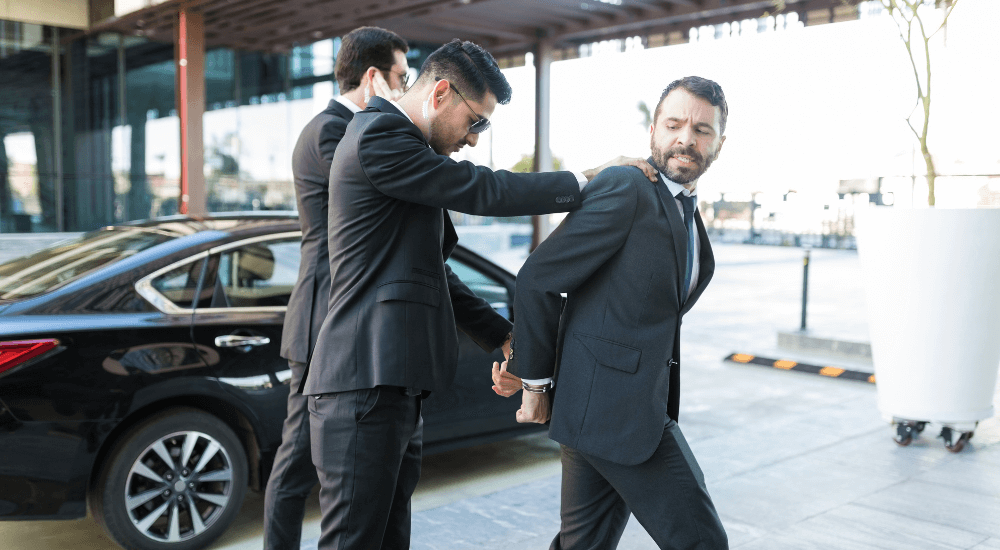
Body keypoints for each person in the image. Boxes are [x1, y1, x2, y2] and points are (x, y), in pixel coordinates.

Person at [302, 38, 657, 550]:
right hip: (360, 385)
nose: (473, 139)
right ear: (440, 93)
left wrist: (503, 335)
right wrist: (586, 179)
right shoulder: (378, 135)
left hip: (391, 388)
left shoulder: (404, 154)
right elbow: (484, 189)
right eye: (477, 122)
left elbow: (432, 272)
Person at [494, 76, 731, 550]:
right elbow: (539, 278)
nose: (686, 138)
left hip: (610, 413)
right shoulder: (628, 186)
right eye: (674, 124)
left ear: (719, 144)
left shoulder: (685, 211)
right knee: (703, 542)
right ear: (653, 131)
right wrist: (536, 384)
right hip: (618, 413)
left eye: (702, 129)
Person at [263, 26, 409, 550]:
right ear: (373, 78)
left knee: (304, 462)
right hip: (323, 320)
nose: (406, 88)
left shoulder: (344, 129)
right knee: (295, 465)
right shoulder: (333, 132)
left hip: (336, 320)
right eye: (402, 77)